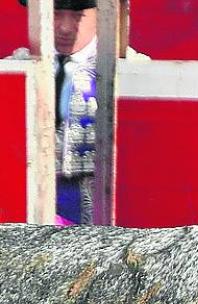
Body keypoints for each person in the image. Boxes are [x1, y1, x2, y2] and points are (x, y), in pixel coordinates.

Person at [12, 0, 147, 224]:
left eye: (78, 16)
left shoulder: (132, 69)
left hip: (99, 195)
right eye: (56, 14)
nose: (66, 27)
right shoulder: (18, 65)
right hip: (31, 194)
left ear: (102, 15)